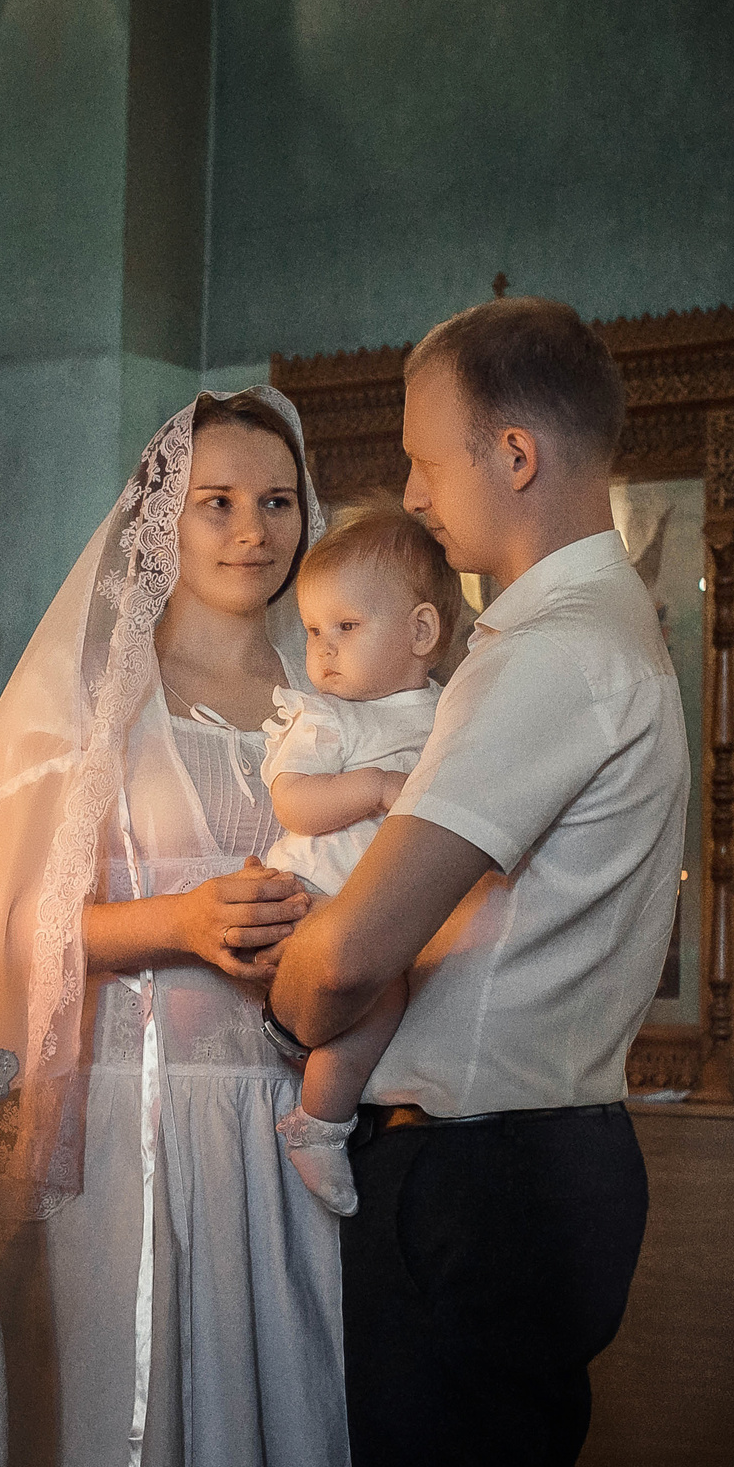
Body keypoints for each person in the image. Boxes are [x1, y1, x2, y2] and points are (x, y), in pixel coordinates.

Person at [270, 297, 686, 1467]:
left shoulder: (549, 652)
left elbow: (349, 957)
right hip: (536, 1159)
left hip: (484, 1171)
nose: (412, 493)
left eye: (425, 458)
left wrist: (280, 974)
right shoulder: (592, 632)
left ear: (514, 454)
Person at [0, 387, 360, 1467]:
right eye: (215, 501)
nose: (251, 530)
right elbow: (7, 932)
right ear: (158, 518)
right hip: (129, 1138)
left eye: (277, 501)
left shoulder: (327, 696)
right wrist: (175, 921)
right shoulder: (91, 698)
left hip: (279, 1136)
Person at [259, 498, 455, 1216]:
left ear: (421, 631)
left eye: (346, 627)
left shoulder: (453, 711)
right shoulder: (330, 718)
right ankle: (319, 1122)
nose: (324, 650)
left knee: (409, 986)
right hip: (313, 894)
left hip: (384, 905)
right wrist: (371, 787)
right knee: (385, 990)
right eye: (314, 630)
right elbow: (293, 802)